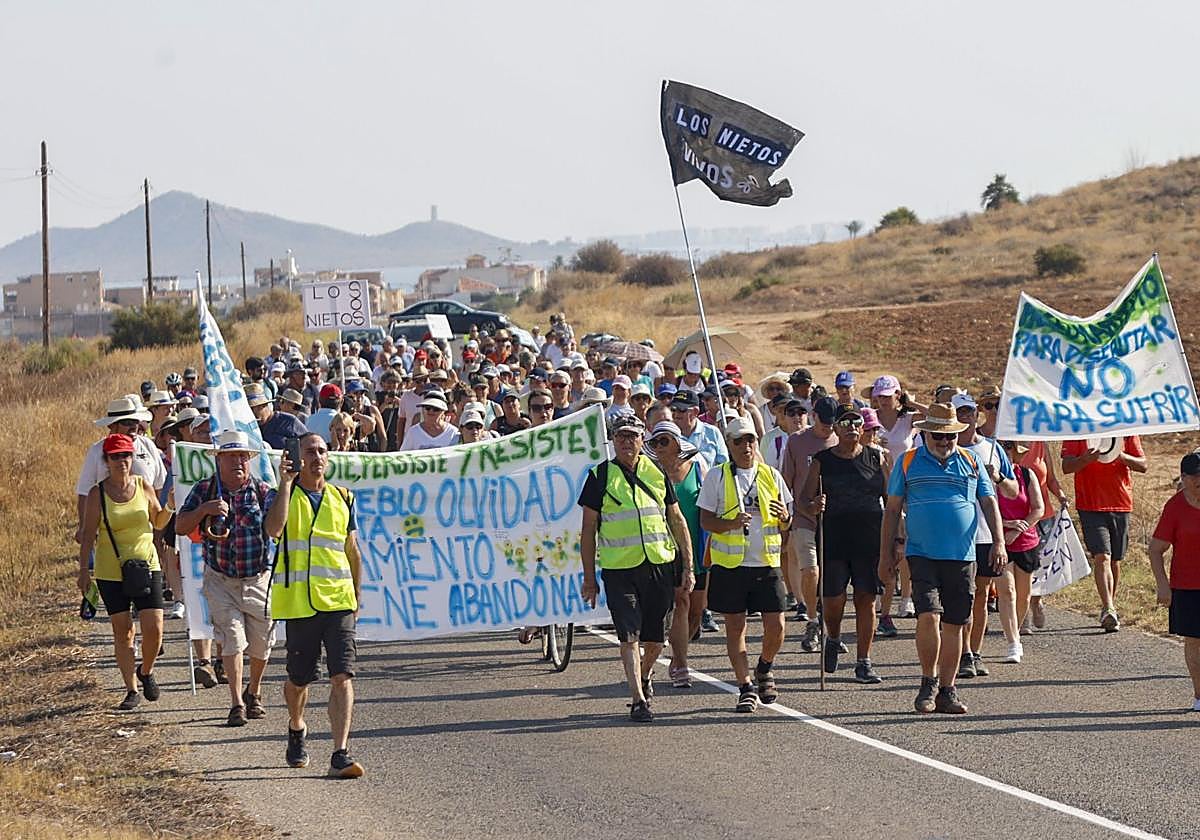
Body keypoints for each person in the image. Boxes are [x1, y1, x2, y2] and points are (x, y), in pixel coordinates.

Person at [880, 402, 1005, 715]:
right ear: (925, 435)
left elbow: (989, 504)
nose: (944, 442)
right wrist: (885, 554)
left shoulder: (972, 461)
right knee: (929, 616)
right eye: (938, 435)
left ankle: (948, 690)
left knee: (955, 623)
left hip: (962, 555)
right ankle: (928, 681)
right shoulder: (908, 462)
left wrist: (999, 542)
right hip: (921, 553)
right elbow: (893, 509)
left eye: (950, 436)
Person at [579, 415, 694, 723]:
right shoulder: (599, 476)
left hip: (659, 564)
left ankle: (643, 676)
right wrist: (589, 579)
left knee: (656, 641)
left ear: (642, 440)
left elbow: (677, 519)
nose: (627, 442)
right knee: (629, 637)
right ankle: (638, 700)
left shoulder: (657, 472)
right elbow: (588, 529)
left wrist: (689, 566)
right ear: (613, 441)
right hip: (620, 570)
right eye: (621, 437)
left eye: (632, 436)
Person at [264, 432, 365, 778]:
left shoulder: (343, 497)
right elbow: (274, 530)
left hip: (338, 602)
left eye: (322, 451)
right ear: (297, 457)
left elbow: (352, 551)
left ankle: (340, 752)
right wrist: (284, 483)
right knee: (299, 681)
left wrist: (357, 597)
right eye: (310, 451)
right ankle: (296, 726)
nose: (317, 457)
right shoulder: (284, 495)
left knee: (342, 675)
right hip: (299, 604)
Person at [176, 431, 276, 727]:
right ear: (218, 460)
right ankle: (235, 703)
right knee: (232, 641)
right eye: (231, 456)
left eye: (243, 456)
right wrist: (204, 510)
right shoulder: (204, 490)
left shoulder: (261, 490)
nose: (238, 462)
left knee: (262, 645)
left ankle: (253, 691)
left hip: (258, 578)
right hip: (220, 579)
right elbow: (180, 526)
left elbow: (278, 525)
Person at [698, 417, 792, 712]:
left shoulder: (771, 475)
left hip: (765, 561)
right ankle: (745, 685)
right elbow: (706, 520)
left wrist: (784, 518)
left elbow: (785, 522)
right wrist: (730, 524)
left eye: (750, 439)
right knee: (735, 627)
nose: (746, 446)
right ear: (729, 444)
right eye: (738, 440)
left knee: (776, 626)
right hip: (731, 565)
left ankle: (764, 666)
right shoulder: (717, 476)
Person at [77, 433, 173, 710]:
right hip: (111, 570)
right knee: (123, 632)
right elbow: (87, 534)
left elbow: (158, 522)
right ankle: (131, 689)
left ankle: (146, 670)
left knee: (155, 629)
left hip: (147, 565)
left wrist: (169, 507)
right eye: (116, 456)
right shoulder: (98, 493)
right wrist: (84, 571)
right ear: (106, 461)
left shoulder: (143, 486)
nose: (122, 461)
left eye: (126, 455)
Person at [800, 408, 886, 683]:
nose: (852, 427)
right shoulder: (823, 460)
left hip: (869, 539)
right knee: (833, 600)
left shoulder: (877, 457)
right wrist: (814, 506)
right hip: (833, 538)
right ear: (835, 429)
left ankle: (864, 661)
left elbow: (893, 499)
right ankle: (833, 637)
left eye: (857, 422)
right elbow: (803, 500)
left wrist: (896, 538)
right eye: (845, 423)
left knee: (866, 599)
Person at [951, 392, 1020, 677]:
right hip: (955, 536)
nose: (966, 417)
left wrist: (999, 478)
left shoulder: (992, 449)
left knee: (980, 596)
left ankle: (972, 653)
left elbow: (1014, 491)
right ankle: (961, 649)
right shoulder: (944, 448)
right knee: (961, 597)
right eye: (961, 413)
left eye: (970, 411)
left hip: (985, 534)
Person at [1061, 434, 1146, 632]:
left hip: (1120, 503)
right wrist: (1084, 459)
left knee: (1115, 560)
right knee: (1102, 556)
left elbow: (1143, 465)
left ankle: (1109, 607)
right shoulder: (1079, 430)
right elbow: (1066, 466)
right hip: (1090, 504)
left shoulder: (1127, 430)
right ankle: (1108, 607)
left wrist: (1121, 456)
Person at [648, 421, 707, 689]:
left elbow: (710, 505)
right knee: (679, 601)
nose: (660, 447)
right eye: (656, 442)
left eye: (665, 441)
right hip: (661, 550)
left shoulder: (699, 467)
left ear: (677, 443)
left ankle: (677, 653)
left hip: (695, 546)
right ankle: (681, 663)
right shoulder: (648, 472)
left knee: (696, 610)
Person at [780, 395, 839, 649]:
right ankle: (812, 620)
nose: (828, 428)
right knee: (811, 570)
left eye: (832, 423)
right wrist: (786, 515)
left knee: (830, 578)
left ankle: (830, 631)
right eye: (824, 422)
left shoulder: (839, 441)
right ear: (814, 415)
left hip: (835, 520)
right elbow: (786, 480)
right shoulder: (797, 441)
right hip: (804, 518)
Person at [1149, 452, 1200, 712]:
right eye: (1196, 476)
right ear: (1184, 478)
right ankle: (1199, 694)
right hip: (1188, 585)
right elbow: (1156, 549)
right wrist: (1162, 584)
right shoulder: (1175, 507)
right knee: (1194, 640)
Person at [996, 438, 1045, 660]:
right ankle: (1013, 641)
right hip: (999, 540)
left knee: (1024, 596)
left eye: (1008, 447)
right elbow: (983, 508)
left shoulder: (1026, 474)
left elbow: (1038, 508)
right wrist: (1006, 526)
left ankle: (1014, 630)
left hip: (1025, 540)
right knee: (1007, 592)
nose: (1005, 451)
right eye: (1001, 447)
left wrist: (1019, 527)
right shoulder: (989, 477)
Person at [668, 390, 728, 471]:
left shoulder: (713, 433)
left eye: (681, 410)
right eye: (673, 409)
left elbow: (724, 466)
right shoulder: (668, 435)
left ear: (695, 412)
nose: (676, 414)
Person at [248, 383, 308, 450]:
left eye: (257, 408)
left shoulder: (289, 421)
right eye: (249, 410)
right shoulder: (249, 427)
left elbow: (309, 443)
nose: (253, 414)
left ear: (265, 405)